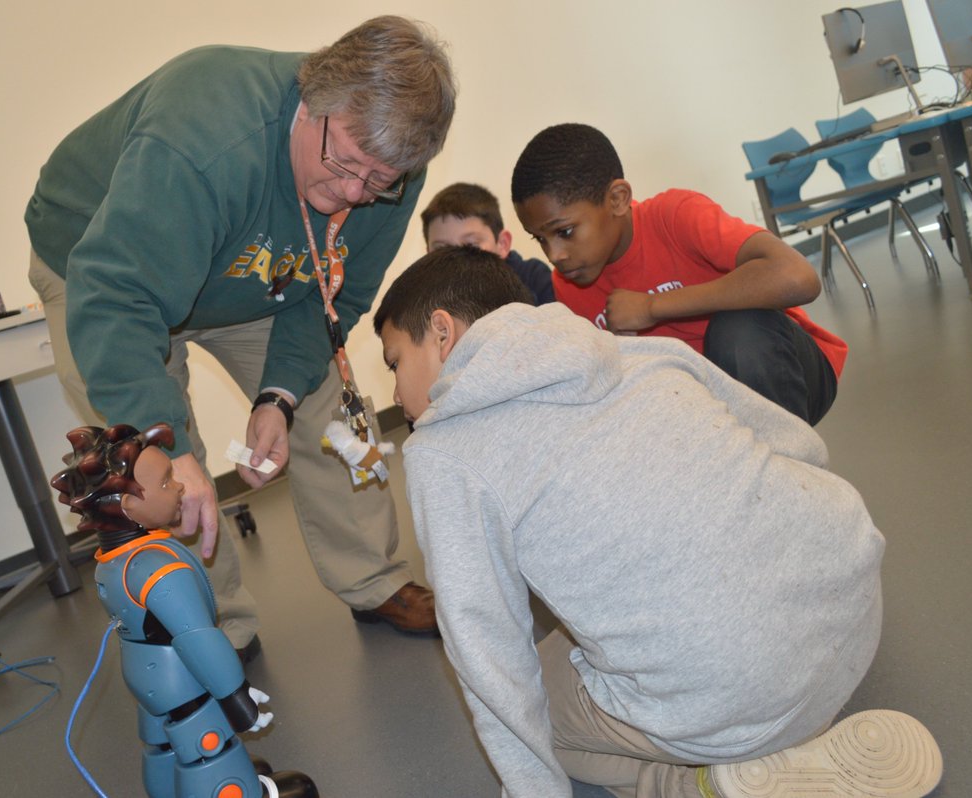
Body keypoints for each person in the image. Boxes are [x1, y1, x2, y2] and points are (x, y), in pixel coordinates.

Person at [371, 246, 942, 798]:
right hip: (852, 617)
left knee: (538, 698)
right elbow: (800, 448)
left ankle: (696, 783)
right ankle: (781, 730)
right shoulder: (635, 352)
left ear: (443, 333)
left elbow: (487, 653)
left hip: (742, 702)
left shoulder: (442, 452)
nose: (397, 393)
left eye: (396, 362)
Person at [25, 16, 456, 649]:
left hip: (248, 270)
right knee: (150, 464)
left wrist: (278, 394)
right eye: (345, 165)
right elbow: (118, 296)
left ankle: (375, 577)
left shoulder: (388, 169)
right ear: (311, 105)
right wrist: (169, 453)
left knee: (328, 408)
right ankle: (213, 621)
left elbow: (340, 296)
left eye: (378, 184)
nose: (351, 195)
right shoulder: (204, 138)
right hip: (103, 266)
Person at [511, 123, 847, 425]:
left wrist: (653, 306)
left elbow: (797, 277)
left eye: (565, 232)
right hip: (700, 411)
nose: (555, 255)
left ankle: (792, 481)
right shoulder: (569, 284)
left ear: (617, 199)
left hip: (787, 373)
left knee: (737, 329)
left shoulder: (675, 216)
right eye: (540, 239)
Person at [51, 423, 316, 798]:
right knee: (207, 746)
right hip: (181, 680)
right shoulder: (161, 571)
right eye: (165, 482)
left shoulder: (109, 563)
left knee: (161, 745)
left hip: (145, 676)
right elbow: (198, 639)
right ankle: (235, 787)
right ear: (127, 505)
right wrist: (236, 696)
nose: (179, 487)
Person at [419, 182, 554, 304]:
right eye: (442, 249)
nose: (456, 259)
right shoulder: (421, 296)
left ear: (502, 244)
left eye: (471, 245)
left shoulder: (532, 278)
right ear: (428, 254)